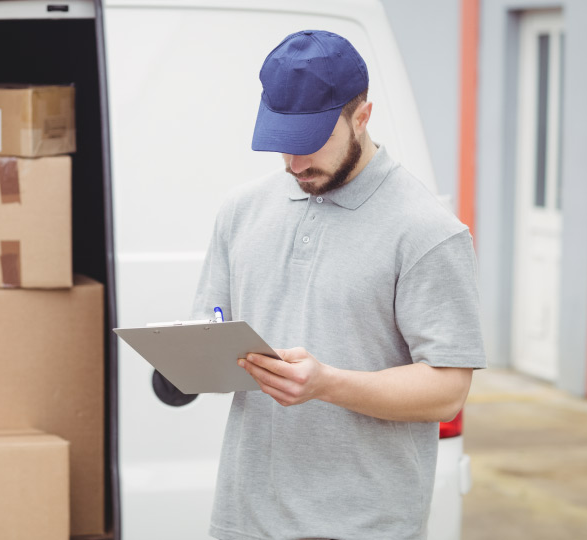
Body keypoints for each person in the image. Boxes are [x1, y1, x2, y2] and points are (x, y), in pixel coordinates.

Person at [192, 30, 487, 540]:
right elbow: (211, 328)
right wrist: (185, 366)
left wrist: (327, 384)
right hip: (243, 522)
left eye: (311, 143)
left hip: (364, 526)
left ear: (362, 117)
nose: (296, 164)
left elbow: (447, 391)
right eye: (283, 144)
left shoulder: (429, 232)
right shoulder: (240, 210)